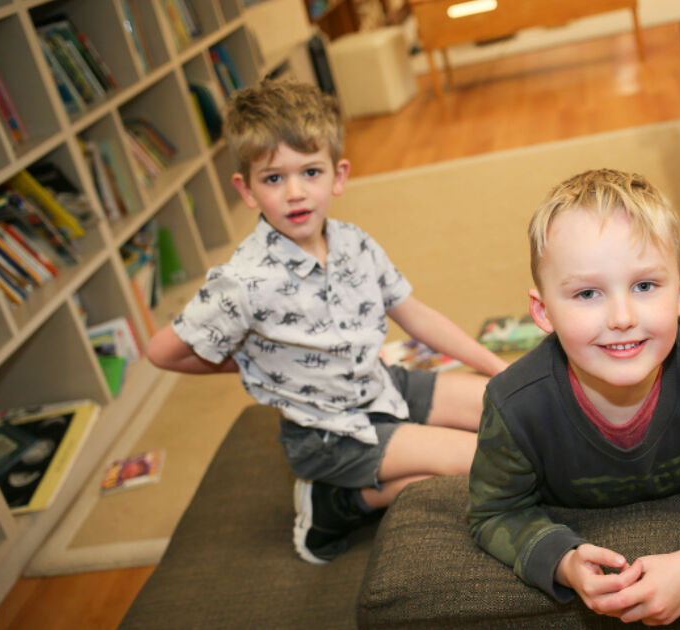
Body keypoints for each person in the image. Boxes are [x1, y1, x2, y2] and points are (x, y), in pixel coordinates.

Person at [147, 78, 507, 565]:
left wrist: (496, 369)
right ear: (246, 189)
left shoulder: (354, 242)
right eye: (273, 178)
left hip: (381, 385)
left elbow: (414, 313)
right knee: (477, 465)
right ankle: (334, 504)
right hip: (328, 433)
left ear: (337, 176)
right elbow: (162, 352)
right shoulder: (242, 281)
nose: (295, 193)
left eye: (310, 172)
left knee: (505, 408)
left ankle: (380, 467)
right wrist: (255, 366)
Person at [467, 169, 680, 625]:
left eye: (645, 285)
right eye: (588, 293)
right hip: (666, 330)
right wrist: (561, 560)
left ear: (675, 291)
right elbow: (494, 512)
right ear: (543, 312)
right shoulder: (513, 405)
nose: (622, 316)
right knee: (658, 328)